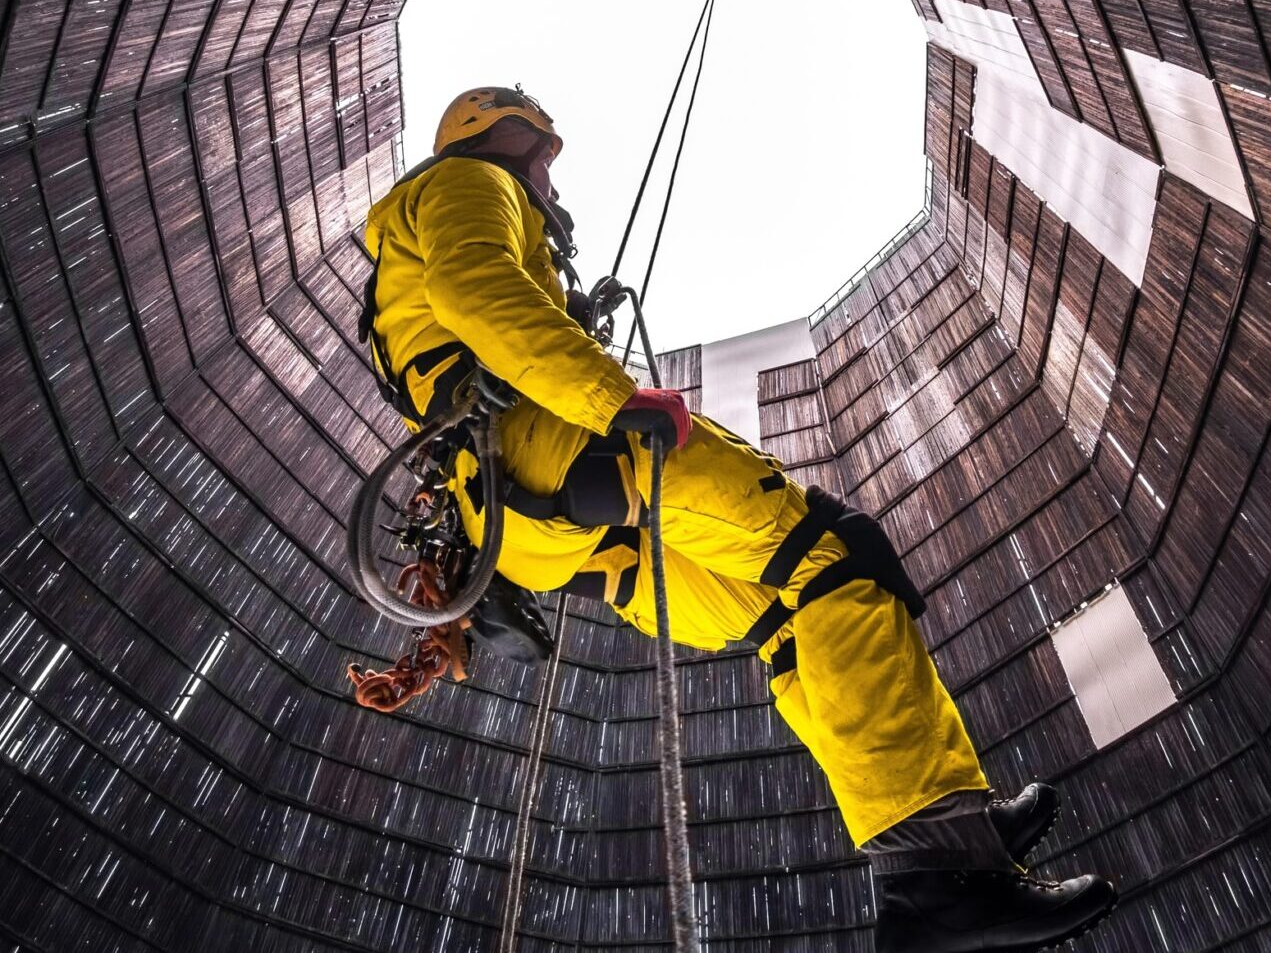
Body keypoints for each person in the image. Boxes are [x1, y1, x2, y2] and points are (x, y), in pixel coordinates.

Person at [357, 86, 1119, 952]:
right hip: (559, 449)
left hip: (535, 517)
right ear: (499, 136)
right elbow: (478, 289)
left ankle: (937, 835)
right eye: (541, 159)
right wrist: (614, 396)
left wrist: (572, 324)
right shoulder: (468, 182)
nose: (550, 182)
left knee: (792, 614)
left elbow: (467, 312)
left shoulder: (433, 222)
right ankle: (945, 871)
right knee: (835, 559)